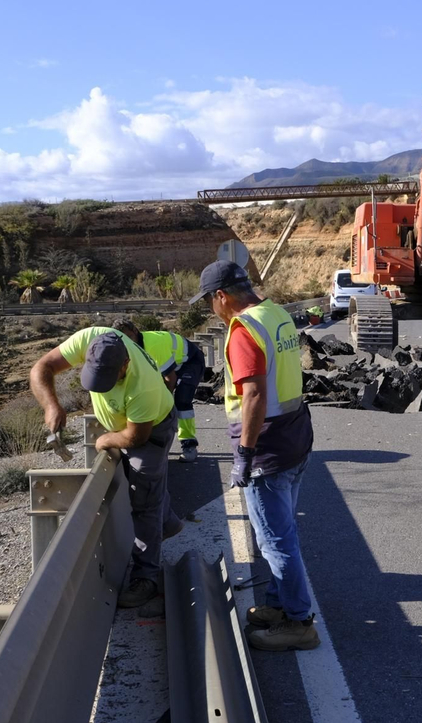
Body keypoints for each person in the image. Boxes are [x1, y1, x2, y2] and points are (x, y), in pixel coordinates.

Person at [189, 260, 319, 651]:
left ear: (221, 297)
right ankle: (279, 606)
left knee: (276, 542)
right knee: (283, 532)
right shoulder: (275, 313)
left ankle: (299, 623)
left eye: (209, 302)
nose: (211, 309)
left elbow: (255, 395)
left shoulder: (244, 330)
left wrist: (245, 453)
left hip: (268, 446)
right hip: (296, 435)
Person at [28, 326, 182, 609]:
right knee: (153, 489)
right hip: (131, 422)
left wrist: (106, 439)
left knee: (144, 497)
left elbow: (136, 437)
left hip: (154, 428)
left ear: (124, 365)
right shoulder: (93, 337)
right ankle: (168, 524)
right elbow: (41, 367)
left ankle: (146, 576)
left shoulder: (142, 385)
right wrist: (51, 406)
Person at [112, 319, 206, 463]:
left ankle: (189, 445)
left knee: (181, 401)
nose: (127, 342)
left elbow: (170, 378)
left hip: (190, 362)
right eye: (123, 339)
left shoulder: (153, 345)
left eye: (129, 337)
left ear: (136, 332)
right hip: (171, 368)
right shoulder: (130, 348)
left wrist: (165, 405)